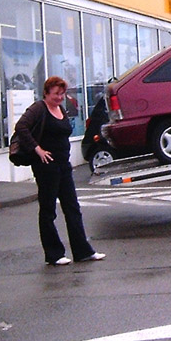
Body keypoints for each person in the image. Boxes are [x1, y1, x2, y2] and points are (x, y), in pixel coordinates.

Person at [14, 76, 105, 266]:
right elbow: (21, 127)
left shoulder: (61, 109)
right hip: (46, 166)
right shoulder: (38, 109)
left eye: (62, 94)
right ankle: (54, 254)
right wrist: (37, 149)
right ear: (46, 93)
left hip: (64, 165)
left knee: (72, 208)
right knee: (48, 210)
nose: (59, 97)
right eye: (56, 94)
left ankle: (83, 251)